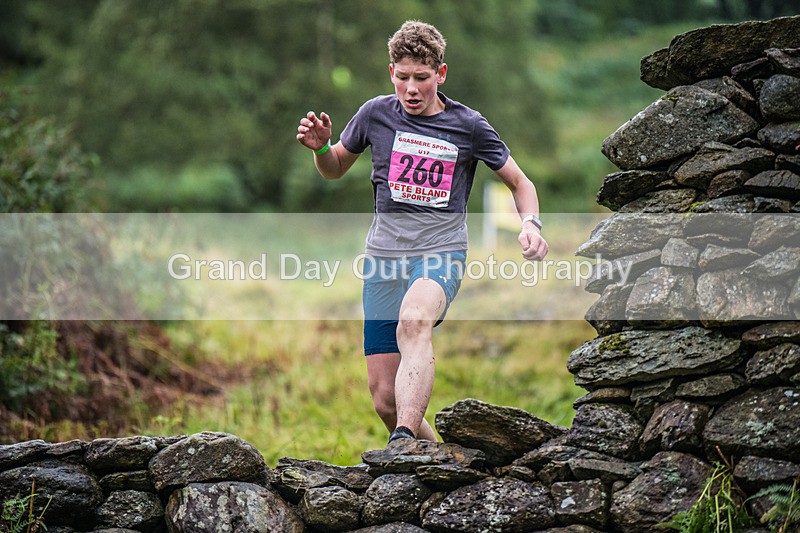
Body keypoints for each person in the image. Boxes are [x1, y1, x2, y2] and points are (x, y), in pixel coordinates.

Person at [296, 20, 547, 444]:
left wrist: (530, 224)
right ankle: (433, 457)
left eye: (422, 78)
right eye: (403, 77)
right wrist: (321, 148)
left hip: (440, 251)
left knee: (414, 321)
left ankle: (403, 441)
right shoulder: (375, 113)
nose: (411, 88)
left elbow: (521, 183)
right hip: (382, 258)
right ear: (391, 72)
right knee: (384, 401)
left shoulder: (469, 125)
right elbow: (335, 167)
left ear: (440, 75)